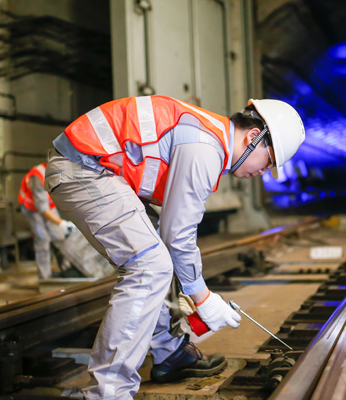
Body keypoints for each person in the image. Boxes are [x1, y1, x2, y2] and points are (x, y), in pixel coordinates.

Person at [45, 95, 305, 400]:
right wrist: (202, 298)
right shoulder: (205, 148)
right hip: (83, 168)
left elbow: (172, 232)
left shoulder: (207, 139)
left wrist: (194, 290)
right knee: (150, 266)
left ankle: (169, 353)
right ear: (252, 137)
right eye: (268, 163)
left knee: (156, 257)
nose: (262, 173)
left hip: (96, 169)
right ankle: (108, 394)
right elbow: (178, 233)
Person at [18, 163, 75, 279]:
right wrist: (62, 223)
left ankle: (67, 271)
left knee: (60, 236)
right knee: (43, 238)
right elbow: (42, 209)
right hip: (31, 207)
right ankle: (45, 277)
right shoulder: (38, 176)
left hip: (48, 205)